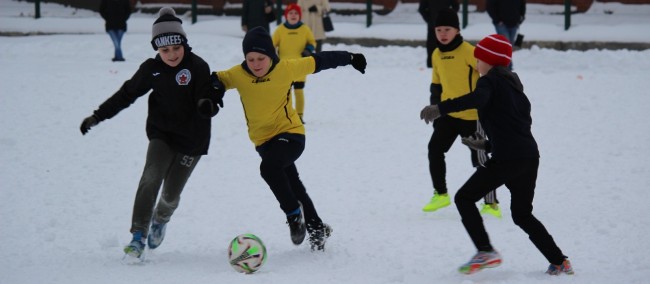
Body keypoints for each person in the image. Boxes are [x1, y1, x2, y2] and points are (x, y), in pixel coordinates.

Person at [420, 34, 574, 276]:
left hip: (508, 159)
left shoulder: (488, 81)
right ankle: (559, 261)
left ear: (488, 61)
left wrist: (441, 107)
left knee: (464, 198)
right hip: (528, 157)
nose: (476, 63)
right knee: (522, 214)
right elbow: (515, 126)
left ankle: (485, 251)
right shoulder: (514, 86)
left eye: (478, 58)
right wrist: (487, 145)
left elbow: (476, 99)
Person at [80, 7, 222, 259]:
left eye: (176, 48)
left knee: (170, 194)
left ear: (183, 44)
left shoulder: (198, 66)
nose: (171, 54)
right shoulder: (151, 69)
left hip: (192, 140)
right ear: (157, 49)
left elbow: (209, 94)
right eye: (164, 50)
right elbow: (127, 94)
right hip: (162, 134)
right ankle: (138, 236)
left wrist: (207, 104)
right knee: (150, 178)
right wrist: (98, 115)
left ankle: (161, 219)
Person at [211, 26, 366, 251]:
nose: (256, 64)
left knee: (269, 169)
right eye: (250, 59)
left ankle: (294, 215)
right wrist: (213, 89)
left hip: (291, 134)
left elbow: (321, 60)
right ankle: (316, 228)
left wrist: (350, 58)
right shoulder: (238, 74)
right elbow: (217, 79)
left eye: (261, 58)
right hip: (263, 142)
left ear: (271, 56)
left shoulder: (285, 68)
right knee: (293, 185)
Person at [421, 8, 500, 218]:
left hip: (474, 117)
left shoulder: (468, 52)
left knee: (481, 159)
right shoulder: (436, 54)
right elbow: (436, 86)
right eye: (438, 30)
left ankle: (491, 203)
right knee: (434, 149)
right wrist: (436, 111)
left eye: (447, 29)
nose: (443, 34)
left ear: (457, 30)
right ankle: (441, 194)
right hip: (448, 115)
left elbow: (488, 73)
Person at [272, 3, 317, 123]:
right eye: (290, 13)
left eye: (296, 13)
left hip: (300, 66)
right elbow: (272, 44)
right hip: (284, 66)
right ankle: (286, 115)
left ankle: (299, 116)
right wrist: (272, 55)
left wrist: (308, 50)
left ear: (300, 16)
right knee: (286, 93)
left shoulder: (305, 29)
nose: (293, 15)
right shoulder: (280, 29)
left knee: (299, 91)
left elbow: (312, 42)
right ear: (286, 15)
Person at [487, 0, 526, 70]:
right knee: (505, 45)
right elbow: (490, 6)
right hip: (501, 24)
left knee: (509, 45)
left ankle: (507, 65)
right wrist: (497, 20)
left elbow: (522, 4)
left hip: (514, 23)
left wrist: (521, 17)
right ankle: (506, 66)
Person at [418, 0, 458, 68]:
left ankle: (447, 62)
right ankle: (431, 64)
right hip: (433, 25)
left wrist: (449, 17)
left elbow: (456, 6)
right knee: (432, 44)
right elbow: (422, 9)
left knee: (447, 43)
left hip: (445, 24)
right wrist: (430, 20)